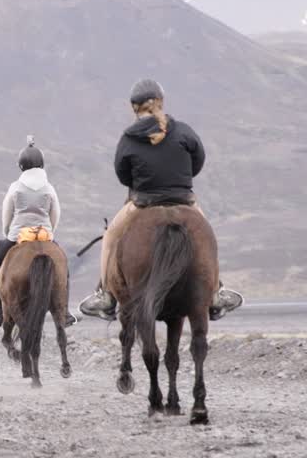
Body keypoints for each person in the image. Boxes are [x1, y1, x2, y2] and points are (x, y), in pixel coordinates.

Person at [78, 79, 243, 322]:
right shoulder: (184, 131)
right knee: (208, 237)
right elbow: (198, 161)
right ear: (161, 102)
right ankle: (216, 292)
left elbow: (122, 174)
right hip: (184, 200)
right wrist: (180, 180)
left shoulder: (128, 138)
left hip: (143, 202)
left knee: (111, 236)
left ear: (133, 107)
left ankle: (105, 296)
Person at [0, 137, 77, 328]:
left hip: (18, 235)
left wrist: (7, 233)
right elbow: (55, 213)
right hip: (45, 234)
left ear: (21, 166)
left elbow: (6, 213)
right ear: (42, 164)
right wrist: (50, 233)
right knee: (63, 270)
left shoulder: (15, 187)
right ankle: (65, 312)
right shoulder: (49, 188)